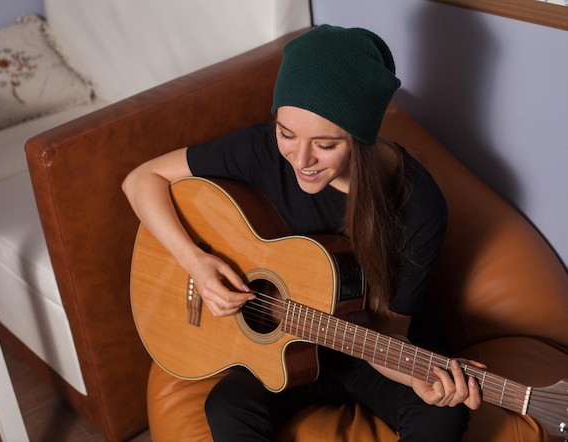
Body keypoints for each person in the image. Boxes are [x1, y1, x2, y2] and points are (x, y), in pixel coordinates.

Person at [123, 24, 482, 441]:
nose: (301, 159)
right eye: (287, 134)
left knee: (442, 418)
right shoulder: (261, 150)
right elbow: (141, 180)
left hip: (373, 349)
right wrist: (197, 263)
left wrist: (417, 376)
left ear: (361, 139)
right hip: (285, 351)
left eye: (326, 145)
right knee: (226, 405)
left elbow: (390, 332)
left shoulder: (419, 204)